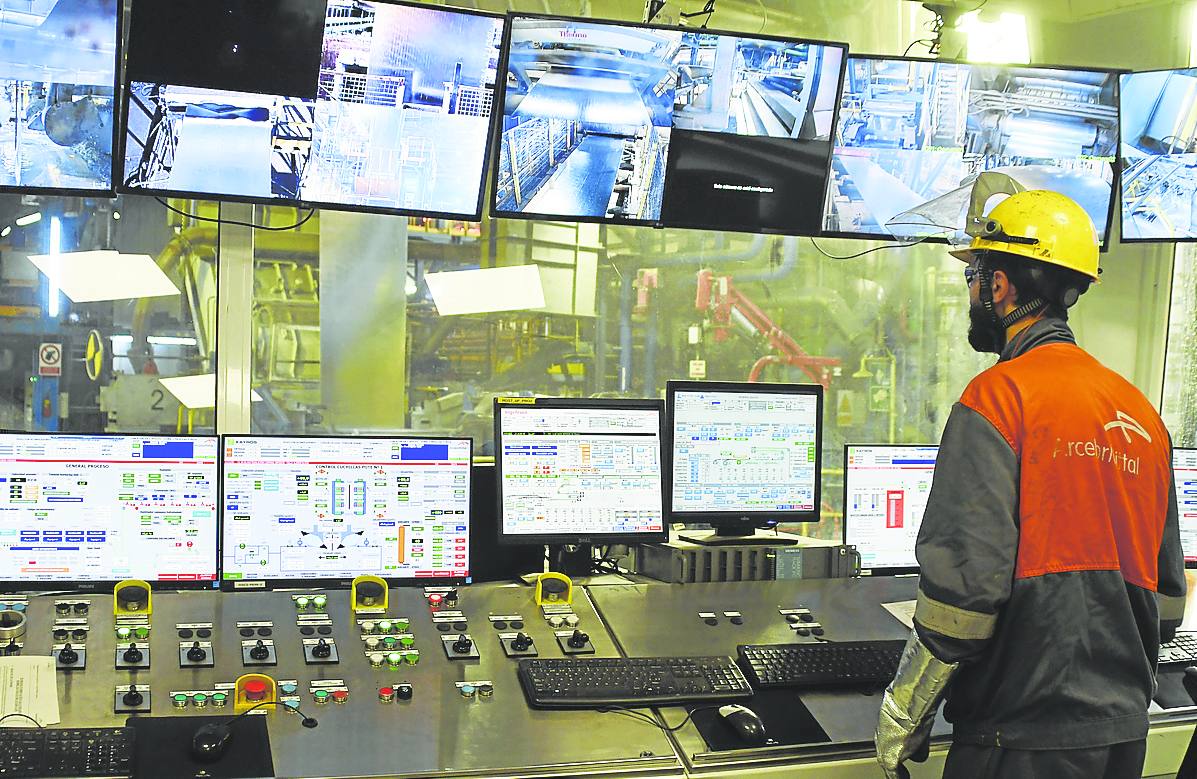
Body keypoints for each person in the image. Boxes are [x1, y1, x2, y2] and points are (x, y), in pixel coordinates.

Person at [875, 189, 1187, 779]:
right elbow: (1168, 600)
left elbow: (961, 597)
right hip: (1122, 737)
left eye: (974, 276)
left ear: (999, 288)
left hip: (1017, 737)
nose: (970, 292)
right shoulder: (1141, 414)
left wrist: (903, 712)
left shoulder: (997, 400)